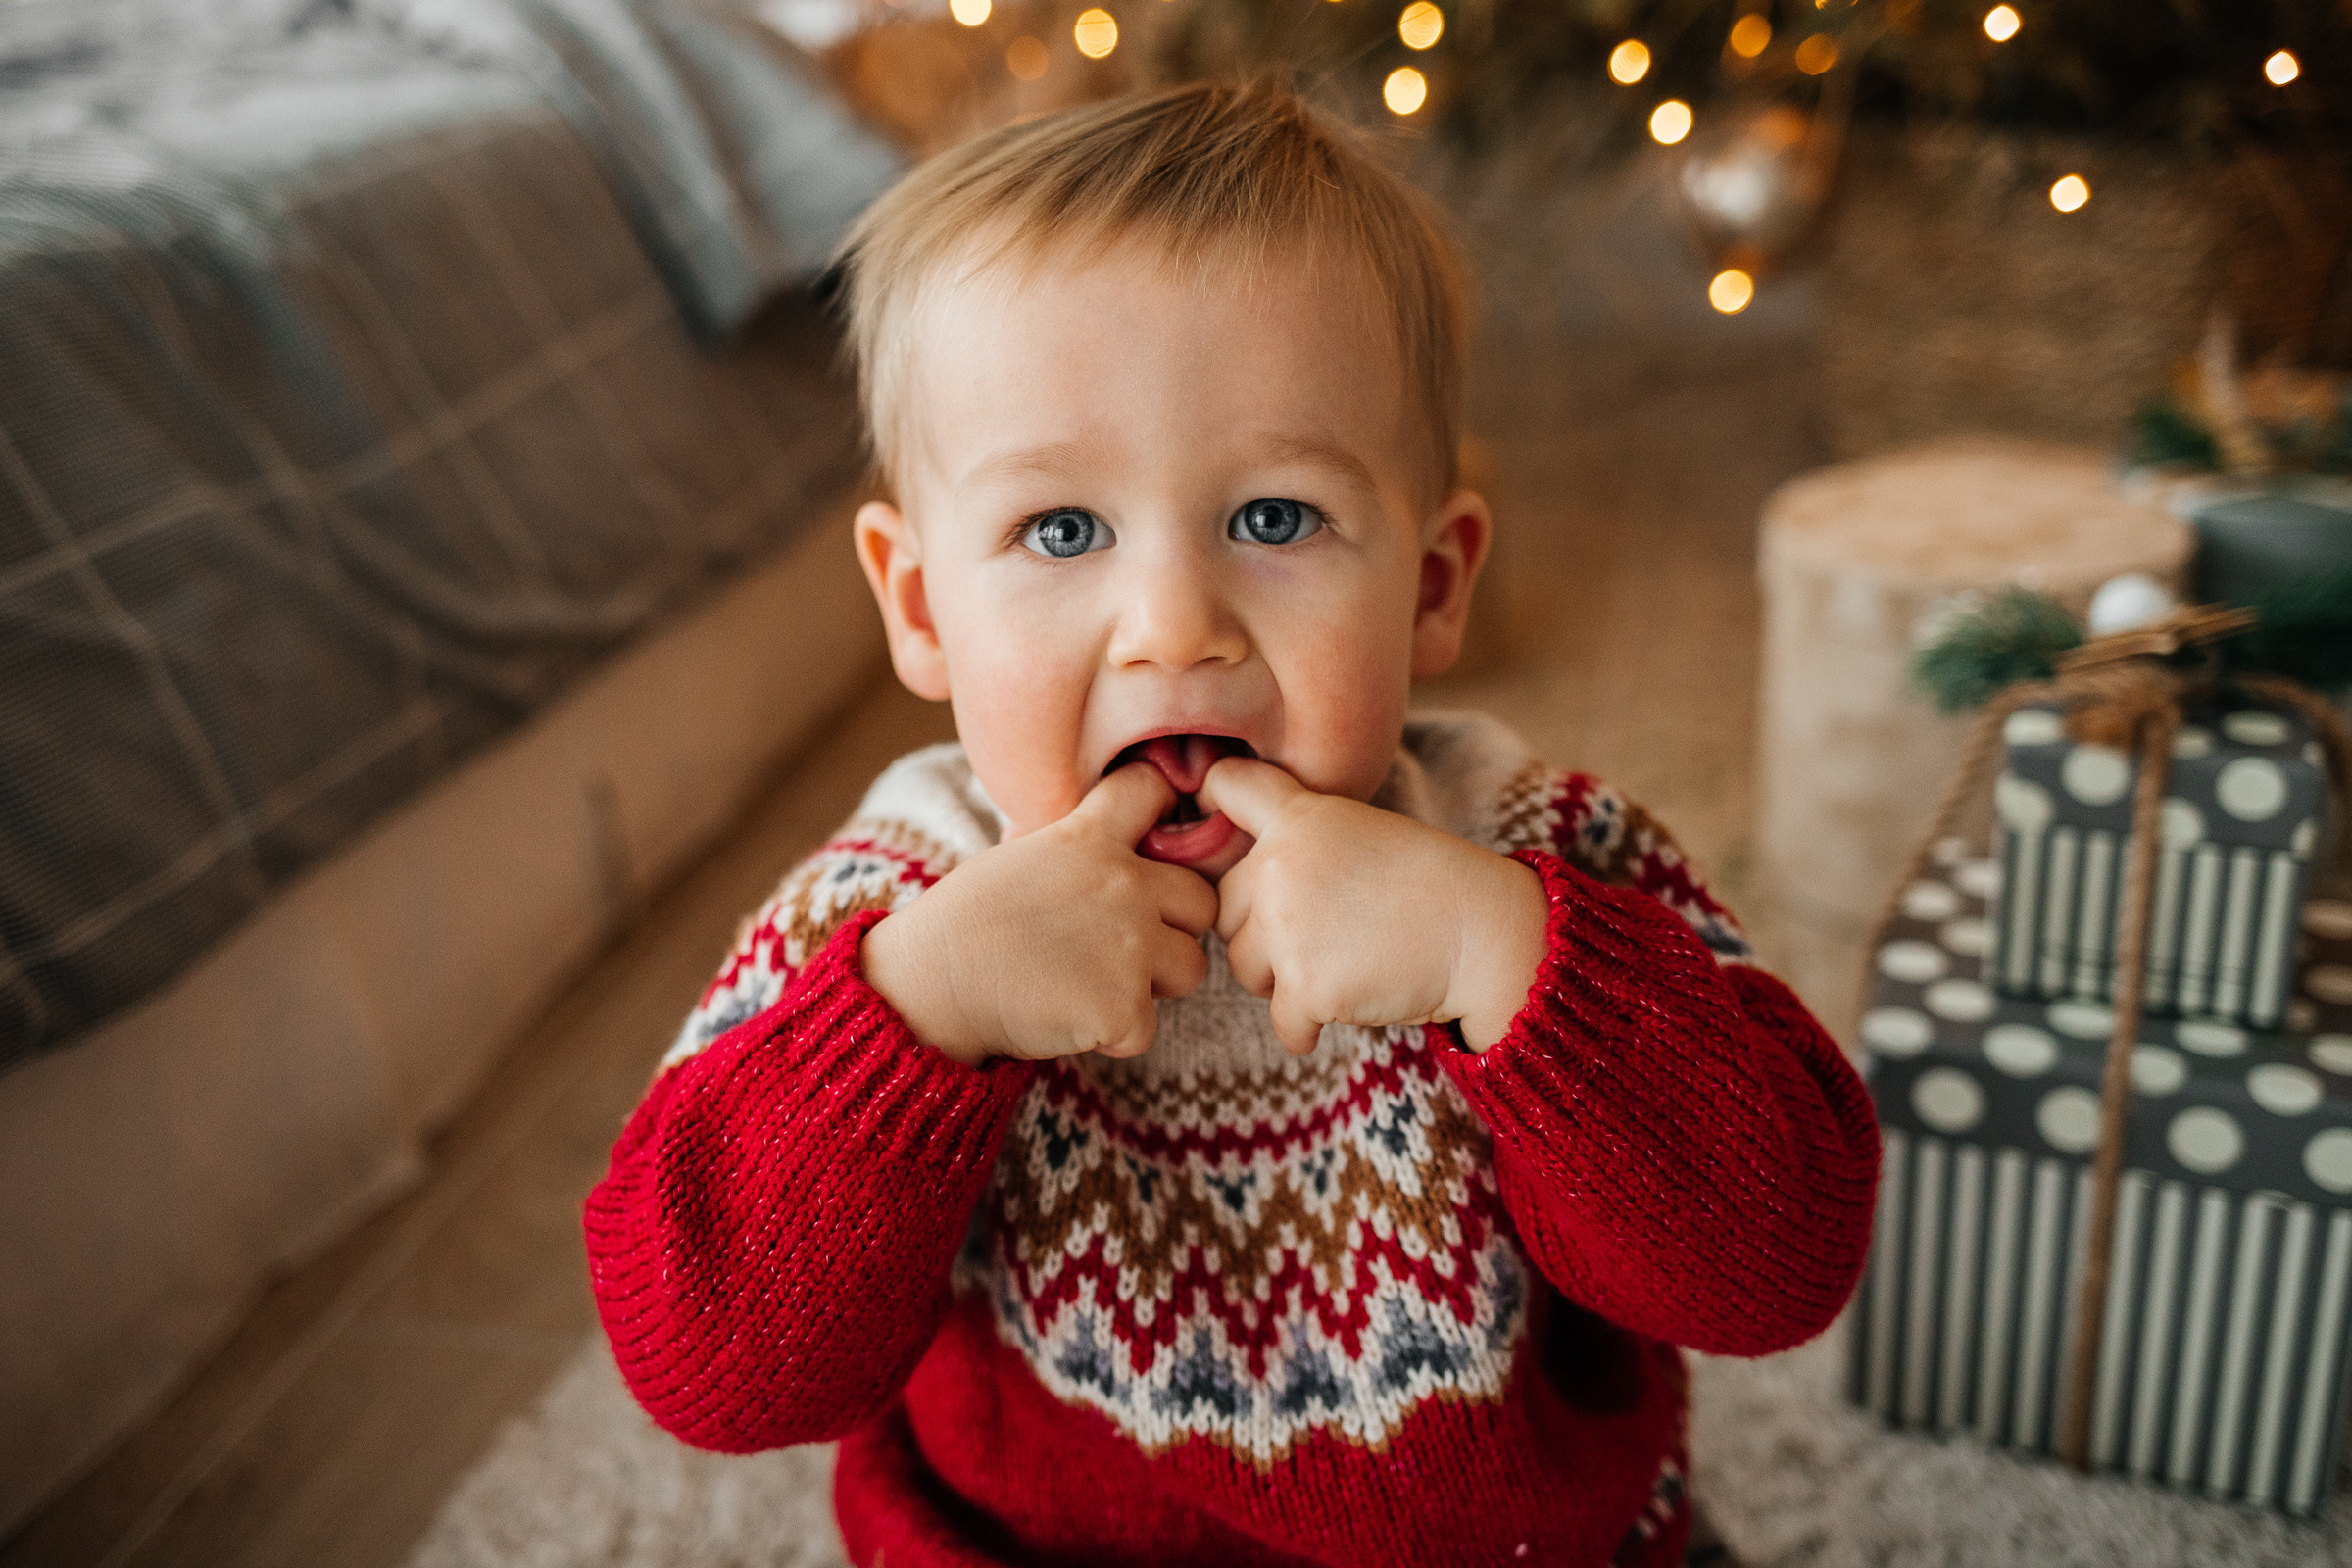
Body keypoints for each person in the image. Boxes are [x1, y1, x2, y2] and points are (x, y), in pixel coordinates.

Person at [584, 81, 1878, 1568]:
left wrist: (1503, 959)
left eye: (1274, 518)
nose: (1172, 627)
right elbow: (710, 1370)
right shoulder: (885, 914)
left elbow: (1784, 1267)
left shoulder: (1536, 850)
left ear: (1433, 585)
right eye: (1061, 530)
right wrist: (922, 1014)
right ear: (924, 607)